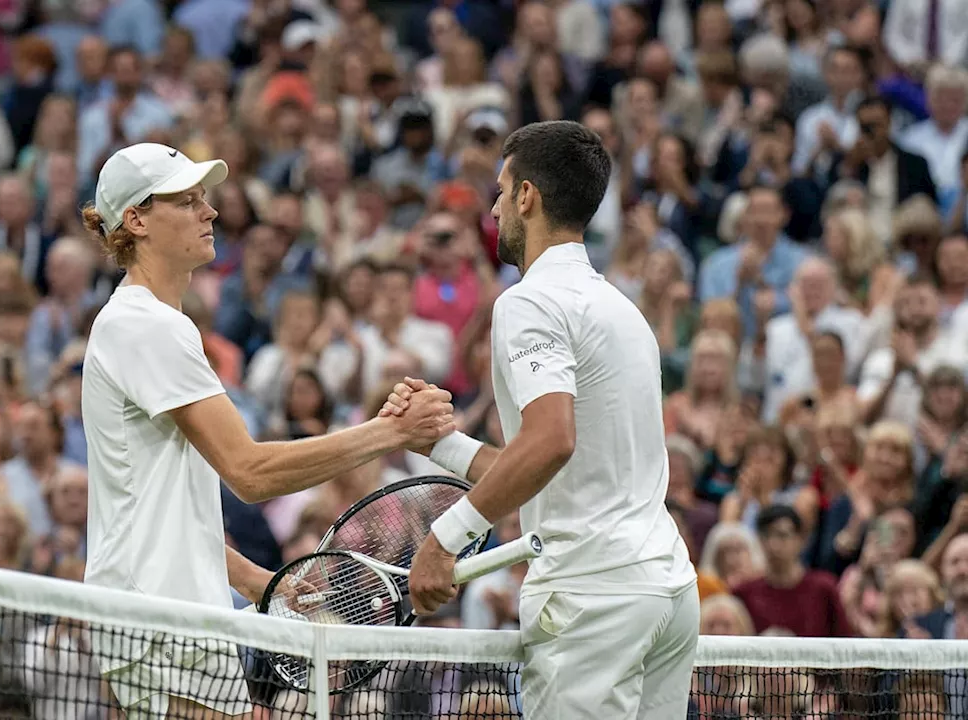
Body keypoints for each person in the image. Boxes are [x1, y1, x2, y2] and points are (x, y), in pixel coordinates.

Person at [78, 142, 456, 720]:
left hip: (171, 609)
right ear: (137, 220)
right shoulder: (145, 325)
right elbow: (249, 472)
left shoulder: (149, 322)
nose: (210, 213)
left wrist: (254, 578)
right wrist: (390, 432)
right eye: (187, 201)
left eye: (205, 199)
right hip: (157, 612)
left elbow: (167, 500)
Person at [383, 121, 699, 719]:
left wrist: (443, 540)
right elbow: (550, 465)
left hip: (594, 600)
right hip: (666, 592)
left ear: (527, 196)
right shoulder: (621, 309)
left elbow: (551, 439)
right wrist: (441, 443)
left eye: (501, 192)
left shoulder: (529, 300)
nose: (496, 207)